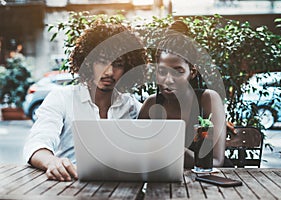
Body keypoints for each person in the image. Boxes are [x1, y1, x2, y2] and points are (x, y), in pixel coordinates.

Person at [23, 20, 146, 181]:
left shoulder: (131, 106)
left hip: (117, 189)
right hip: (67, 186)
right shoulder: (61, 98)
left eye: (118, 64)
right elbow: (36, 144)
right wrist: (52, 162)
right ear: (88, 62)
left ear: (128, 68)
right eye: (102, 61)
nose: (109, 71)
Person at [138, 21, 226, 168]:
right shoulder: (151, 105)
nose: (168, 80)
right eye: (162, 72)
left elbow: (216, 161)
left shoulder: (208, 99)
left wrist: (169, 146)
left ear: (192, 72)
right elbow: (137, 154)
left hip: (207, 185)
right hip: (165, 184)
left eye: (178, 71)